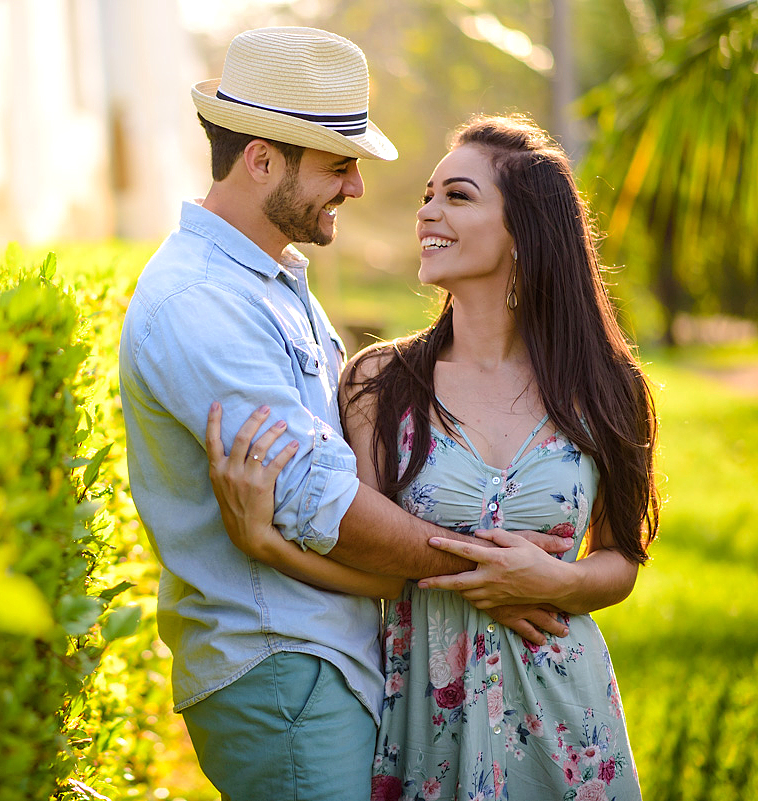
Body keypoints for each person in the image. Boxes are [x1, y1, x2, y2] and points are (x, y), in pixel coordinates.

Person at [119, 27, 573, 800]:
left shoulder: (269, 281)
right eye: (339, 165)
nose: (356, 188)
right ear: (262, 159)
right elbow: (327, 508)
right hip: (284, 670)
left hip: (327, 655)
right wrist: (494, 570)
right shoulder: (203, 305)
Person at [206, 114, 657, 800]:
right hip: (430, 721)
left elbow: (621, 559)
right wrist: (263, 541)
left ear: (524, 230)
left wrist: (551, 581)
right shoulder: (379, 384)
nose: (428, 212)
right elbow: (377, 572)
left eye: (459, 196)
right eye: (427, 194)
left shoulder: (604, 385)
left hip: (568, 721)